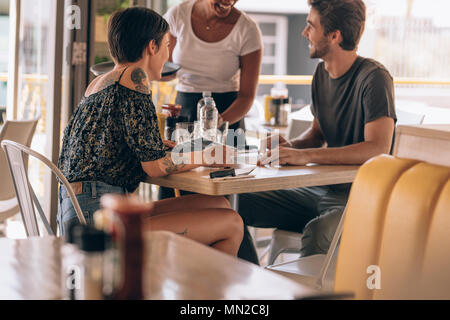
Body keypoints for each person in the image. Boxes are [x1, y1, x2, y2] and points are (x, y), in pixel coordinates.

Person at [57, 7, 243, 256]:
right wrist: (207, 156)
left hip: (81, 209)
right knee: (232, 224)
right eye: (167, 45)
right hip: (99, 218)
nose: (169, 55)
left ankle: (180, 284)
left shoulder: (103, 81)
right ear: (152, 47)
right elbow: (155, 167)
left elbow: (113, 145)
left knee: (218, 203)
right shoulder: (134, 77)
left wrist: (158, 146)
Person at [237, 0, 397, 264]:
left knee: (318, 232)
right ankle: (253, 281)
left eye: (311, 26)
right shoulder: (321, 75)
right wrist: (290, 147)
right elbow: (316, 135)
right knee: (235, 203)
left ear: (335, 36)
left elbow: (376, 148)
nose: (304, 33)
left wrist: (306, 155)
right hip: (318, 191)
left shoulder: (374, 78)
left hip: (360, 197)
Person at [159, 0, 263, 199]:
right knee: (175, 190)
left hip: (228, 115)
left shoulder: (247, 29)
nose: (229, 2)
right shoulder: (178, 15)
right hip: (185, 113)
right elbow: (165, 68)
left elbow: (247, 96)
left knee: (222, 197)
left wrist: (215, 125)